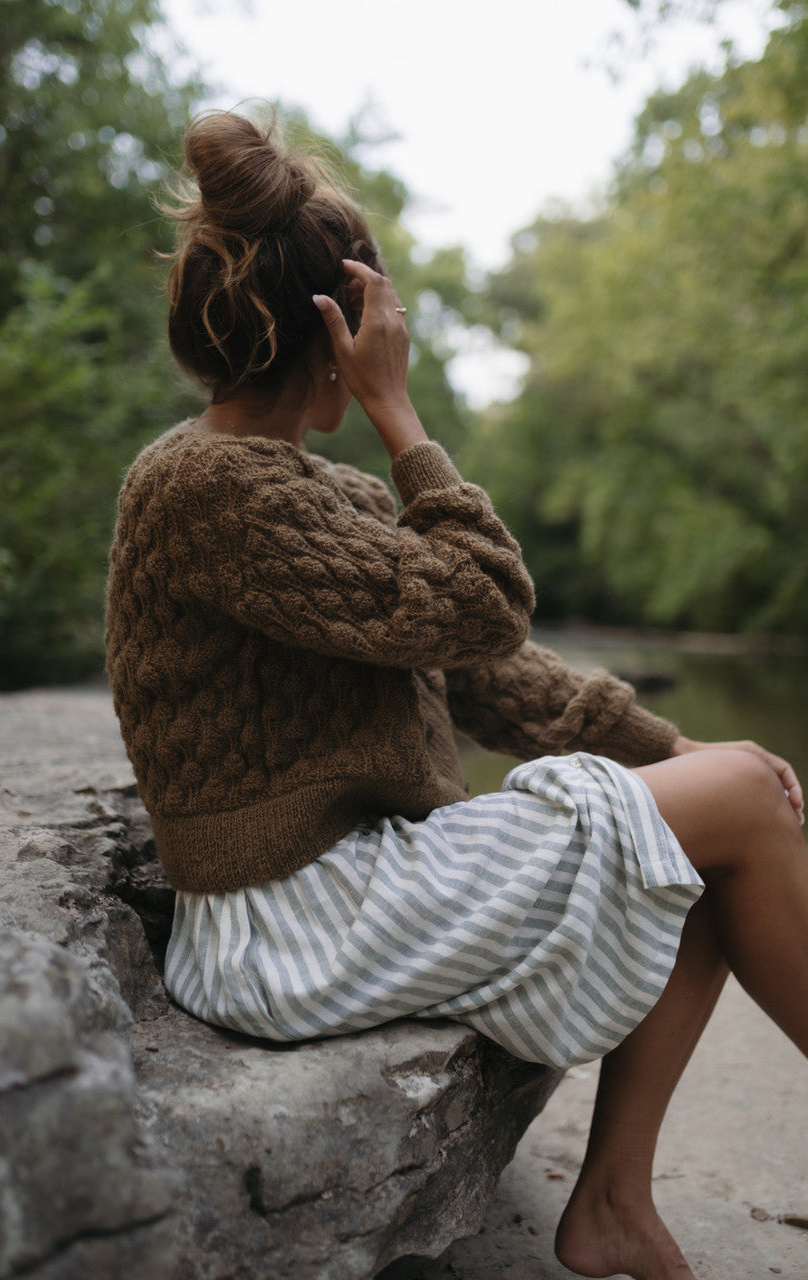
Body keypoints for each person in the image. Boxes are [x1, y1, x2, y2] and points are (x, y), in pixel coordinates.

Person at [104, 110, 808, 1280]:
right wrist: (403, 420)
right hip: (292, 922)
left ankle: (616, 1206)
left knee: (709, 833)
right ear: (342, 335)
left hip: (336, 897)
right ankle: (620, 1199)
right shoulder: (205, 486)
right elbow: (487, 600)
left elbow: (490, 673)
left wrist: (675, 748)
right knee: (732, 804)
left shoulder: (296, 492)